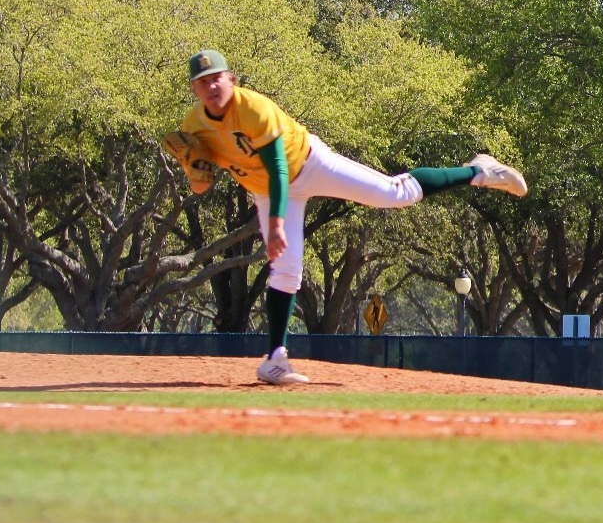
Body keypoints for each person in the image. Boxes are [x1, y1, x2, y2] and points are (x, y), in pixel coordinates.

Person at [167, 49, 528, 386]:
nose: (212, 86)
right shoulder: (194, 125)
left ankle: (478, 171)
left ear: (231, 79)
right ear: (194, 88)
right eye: (203, 81)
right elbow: (200, 188)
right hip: (265, 191)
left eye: (217, 77)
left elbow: (278, 166)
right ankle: (276, 358)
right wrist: (196, 171)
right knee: (286, 267)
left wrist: (276, 223)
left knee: (395, 194)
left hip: (308, 164)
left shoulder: (253, 108)